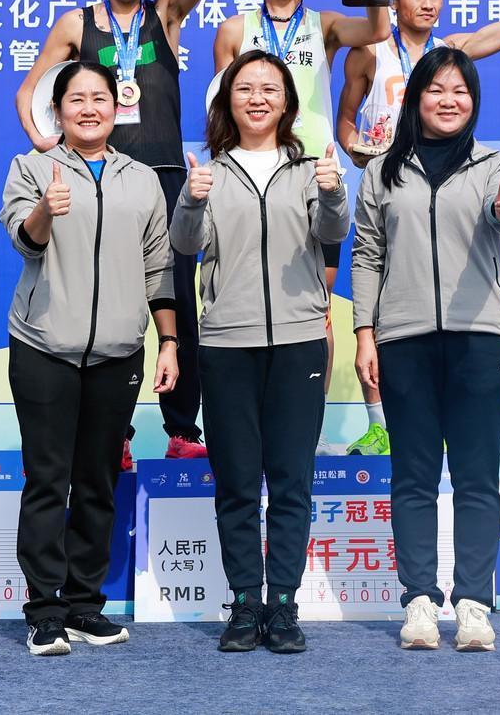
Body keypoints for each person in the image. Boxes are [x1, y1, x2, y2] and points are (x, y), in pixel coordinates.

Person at [14, 0, 224, 464]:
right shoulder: (75, 25)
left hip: (164, 181)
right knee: (106, 301)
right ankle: (117, 436)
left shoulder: (167, 14)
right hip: (97, 183)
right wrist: (47, 145)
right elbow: (29, 93)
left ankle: (183, 430)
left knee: (175, 303)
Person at [170, 50, 350, 655]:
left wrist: (332, 193)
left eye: (269, 88)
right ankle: (246, 602)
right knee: (238, 483)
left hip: (299, 341)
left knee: (292, 481)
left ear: (288, 103)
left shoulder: (309, 170)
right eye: (244, 88)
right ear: (227, 101)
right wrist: (192, 199)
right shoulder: (211, 172)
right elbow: (186, 245)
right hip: (227, 344)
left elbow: (333, 233)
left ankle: (285, 605)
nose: (257, 98)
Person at [0, 62, 180, 656]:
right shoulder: (31, 168)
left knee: (99, 481)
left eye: (99, 98)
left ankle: (83, 605)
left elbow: (159, 268)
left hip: (118, 353)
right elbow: (24, 241)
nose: (88, 109)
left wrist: (169, 341)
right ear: (58, 110)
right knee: (48, 480)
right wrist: (46, 209)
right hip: (44, 347)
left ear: (117, 106)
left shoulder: (142, 180)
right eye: (75, 99)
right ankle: (44, 610)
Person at [350, 47, 500, 653]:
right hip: (404, 339)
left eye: (461, 91)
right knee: (413, 476)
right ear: (415, 97)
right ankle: (419, 601)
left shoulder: (497, 165)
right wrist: (365, 332)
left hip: (481, 337)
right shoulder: (382, 172)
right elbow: (367, 254)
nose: (449, 101)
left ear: (473, 102)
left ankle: (474, 603)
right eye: (436, 89)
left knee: (477, 477)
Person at [335, 0, 500, 456]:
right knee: (380, 294)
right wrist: (358, 150)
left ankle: (440, 421)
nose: (427, 5)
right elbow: (345, 120)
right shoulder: (368, 53)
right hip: (388, 185)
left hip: (445, 184)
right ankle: (379, 424)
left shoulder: (452, 51)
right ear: (395, 0)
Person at [210, 0, 390, 412]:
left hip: (314, 179)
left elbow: (378, 29)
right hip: (250, 179)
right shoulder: (232, 31)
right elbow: (221, 112)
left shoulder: (324, 26)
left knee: (316, 310)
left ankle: (309, 425)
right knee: (248, 298)